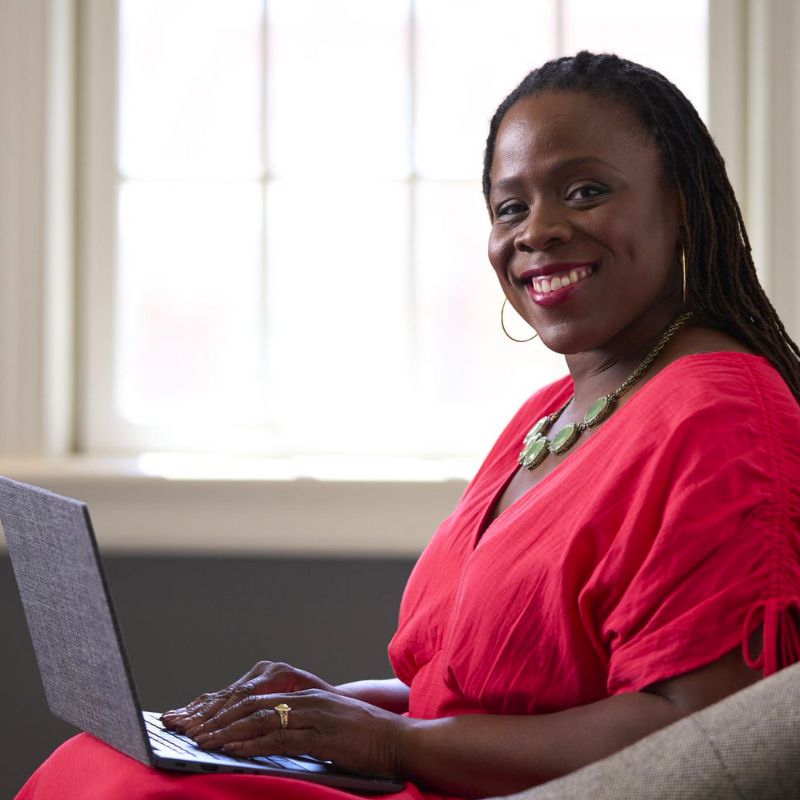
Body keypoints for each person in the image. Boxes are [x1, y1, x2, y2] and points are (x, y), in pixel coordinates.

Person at [16, 51, 800, 800]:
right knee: (107, 764)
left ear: (683, 206)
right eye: (510, 206)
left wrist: (388, 742)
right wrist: (317, 713)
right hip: (430, 778)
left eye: (586, 190)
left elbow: (698, 739)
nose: (538, 231)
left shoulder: (721, 414)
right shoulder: (552, 412)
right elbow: (485, 693)